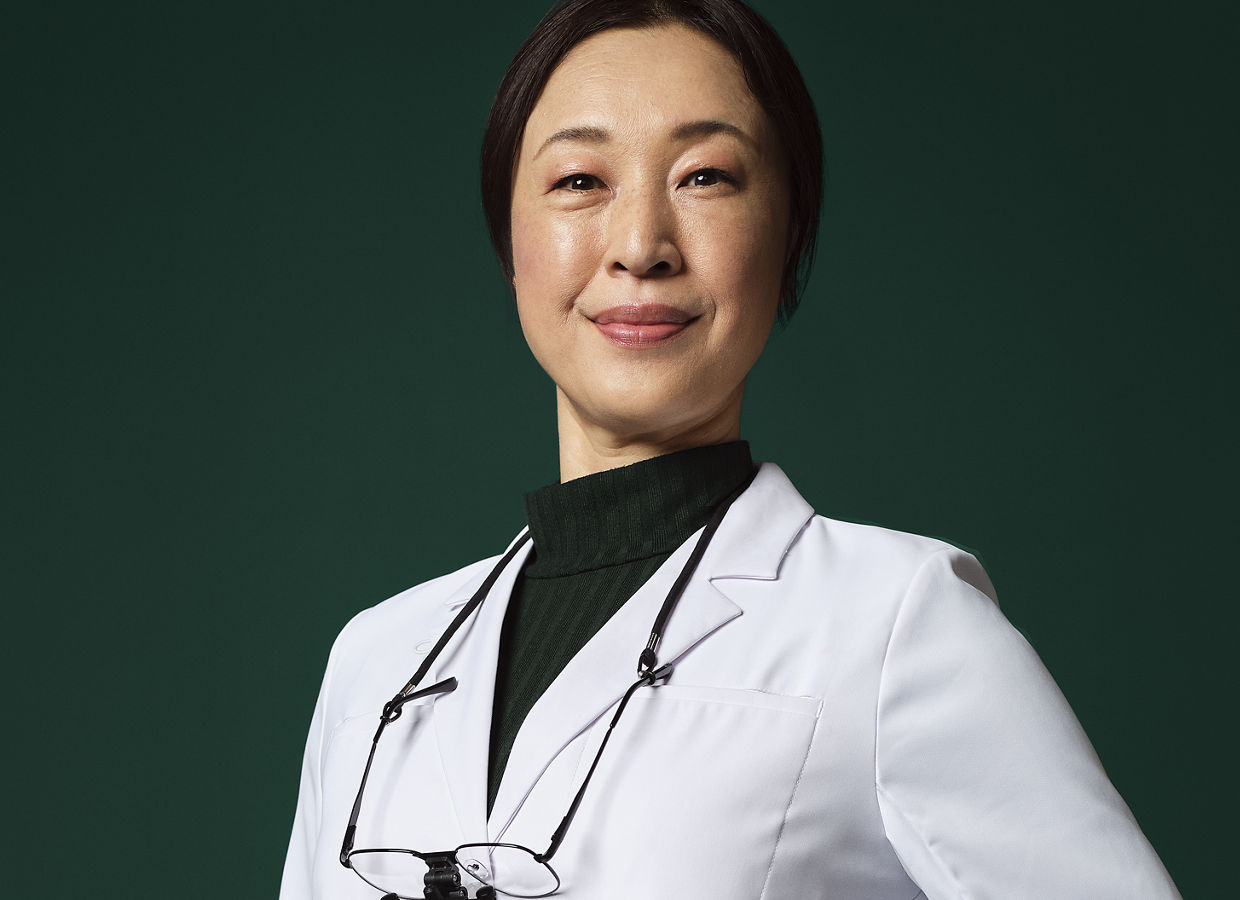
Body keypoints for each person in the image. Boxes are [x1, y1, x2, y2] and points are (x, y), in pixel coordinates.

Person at [280, 1, 1181, 897]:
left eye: (706, 176)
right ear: (510, 240)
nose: (640, 247)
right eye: (579, 181)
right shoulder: (379, 662)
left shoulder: (895, 626)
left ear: (788, 238)